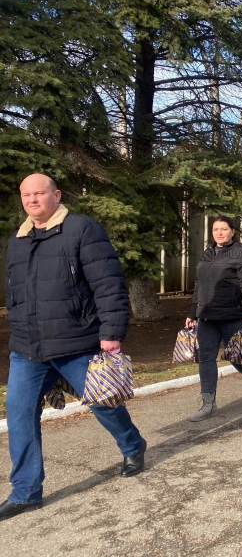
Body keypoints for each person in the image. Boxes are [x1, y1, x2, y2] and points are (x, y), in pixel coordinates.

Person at [2, 174, 147, 521]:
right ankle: (26, 492)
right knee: (19, 415)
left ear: (57, 195)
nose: (32, 199)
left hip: (75, 341)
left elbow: (108, 283)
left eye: (39, 193)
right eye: (26, 194)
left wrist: (111, 332)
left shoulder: (82, 229)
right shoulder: (18, 241)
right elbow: (15, 293)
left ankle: (132, 445)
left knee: (103, 403)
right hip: (27, 348)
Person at [185, 216, 242, 421]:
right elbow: (199, 285)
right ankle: (208, 404)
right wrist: (193, 313)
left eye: (224, 229)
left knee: (237, 358)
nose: (219, 233)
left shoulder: (241, 253)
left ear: (232, 231)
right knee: (205, 359)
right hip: (207, 317)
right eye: (215, 229)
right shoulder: (207, 254)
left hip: (232, 314)